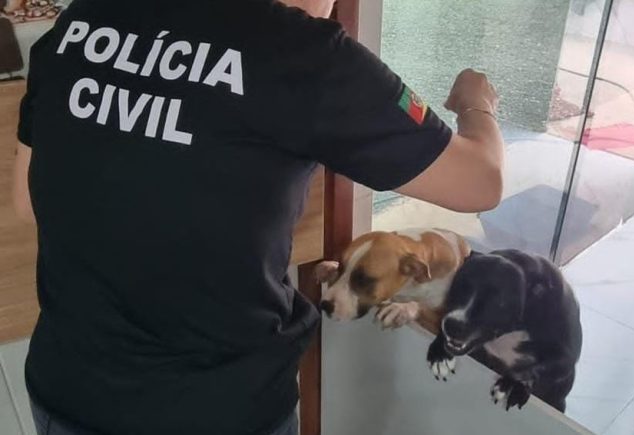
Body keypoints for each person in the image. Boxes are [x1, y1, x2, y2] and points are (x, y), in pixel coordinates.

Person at [11, 0, 504, 434]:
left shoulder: (84, 18)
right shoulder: (300, 53)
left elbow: (27, 201)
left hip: (69, 390)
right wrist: (476, 103)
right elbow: (480, 180)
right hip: (217, 407)